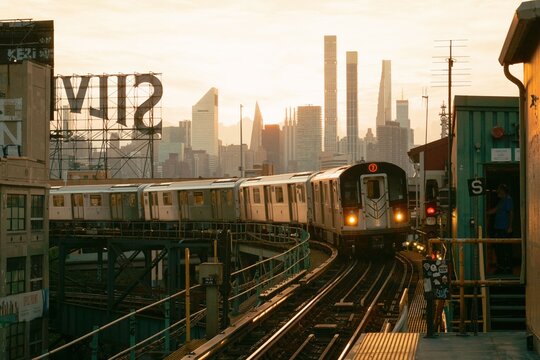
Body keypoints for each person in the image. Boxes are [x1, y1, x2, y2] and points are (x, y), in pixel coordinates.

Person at [487, 183, 513, 273]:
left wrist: (510, 227)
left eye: (499, 189)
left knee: (504, 249)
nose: (497, 191)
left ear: (503, 191)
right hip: (498, 228)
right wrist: (484, 213)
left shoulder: (508, 200)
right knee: (498, 248)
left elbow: (511, 213)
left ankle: (506, 268)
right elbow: (494, 210)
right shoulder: (501, 201)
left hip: (504, 228)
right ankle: (500, 267)